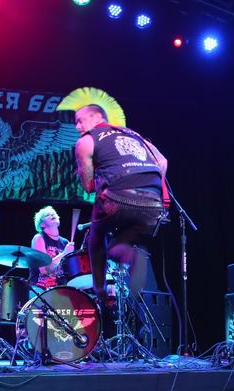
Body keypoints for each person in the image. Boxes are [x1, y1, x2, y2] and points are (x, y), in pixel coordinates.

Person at [57, 88, 167, 301]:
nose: (77, 127)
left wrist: (92, 175)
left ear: (97, 117)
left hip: (119, 198)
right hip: (154, 203)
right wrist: (145, 186)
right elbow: (163, 162)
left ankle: (99, 292)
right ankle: (133, 257)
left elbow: (89, 187)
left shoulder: (86, 141)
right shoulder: (134, 135)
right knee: (119, 243)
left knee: (96, 235)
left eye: (80, 121)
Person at [28, 206, 74, 291]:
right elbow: (44, 270)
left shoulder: (65, 242)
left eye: (54, 213)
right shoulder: (39, 238)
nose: (52, 215)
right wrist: (64, 253)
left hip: (59, 289)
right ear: (42, 224)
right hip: (39, 289)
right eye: (47, 215)